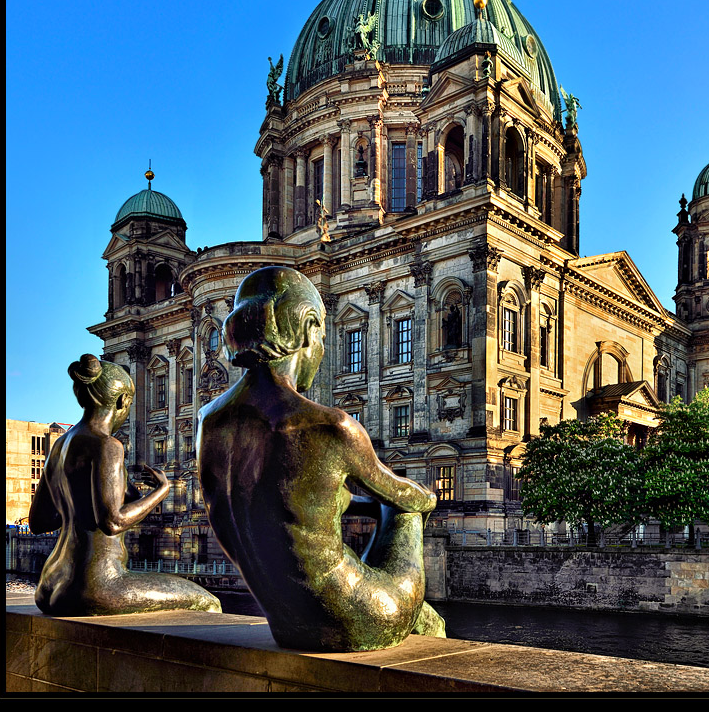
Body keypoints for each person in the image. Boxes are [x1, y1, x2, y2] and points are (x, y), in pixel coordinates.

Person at [197, 266, 445, 651]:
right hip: (353, 620)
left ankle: (422, 617)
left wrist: (350, 501)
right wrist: (427, 498)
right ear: (310, 328)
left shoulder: (208, 423)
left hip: (287, 625)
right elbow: (407, 498)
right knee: (403, 511)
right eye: (325, 338)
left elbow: (286, 508)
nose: (324, 350)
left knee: (424, 614)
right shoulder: (330, 425)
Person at [30, 355, 221, 616]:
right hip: (95, 584)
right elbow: (112, 522)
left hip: (50, 584)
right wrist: (161, 491)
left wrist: (115, 493)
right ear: (123, 402)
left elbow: (39, 521)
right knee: (208, 602)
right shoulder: (107, 445)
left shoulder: (60, 446)